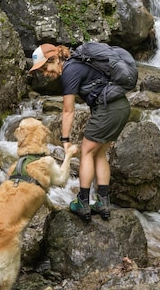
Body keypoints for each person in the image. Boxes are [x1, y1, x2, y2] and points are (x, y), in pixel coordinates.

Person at [28, 43, 131, 221]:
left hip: (108, 109)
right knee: (99, 154)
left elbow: (68, 110)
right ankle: (103, 202)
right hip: (121, 107)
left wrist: (65, 139)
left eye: (46, 67)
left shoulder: (69, 71)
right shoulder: (78, 63)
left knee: (86, 153)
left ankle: (83, 202)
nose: (45, 73)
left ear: (55, 58)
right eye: (41, 71)